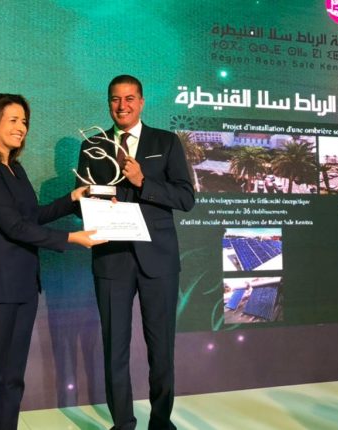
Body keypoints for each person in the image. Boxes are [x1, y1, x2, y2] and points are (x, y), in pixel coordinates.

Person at [0, 93, 105, 430]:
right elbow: (13, 226)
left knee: (13, 376)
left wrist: (71, 200)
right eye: (13, 120)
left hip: (24, 285)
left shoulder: (15, 168)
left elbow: (31, 217)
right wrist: (71, 239)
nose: (21, 127)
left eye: (24, 121)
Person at [76, 75, 195, 430]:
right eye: (115, 99)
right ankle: (123, 424)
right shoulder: (92, 146)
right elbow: (80, 201)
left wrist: (144, 182)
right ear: (108, 103)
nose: (122, 105)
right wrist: (93, 202)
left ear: (141, 102)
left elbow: (186, 197)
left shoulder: (166, 142)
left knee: (161, 349)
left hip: (158, 260)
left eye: (129, 98)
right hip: (111, 260)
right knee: (115, 348)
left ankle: (160, 422)